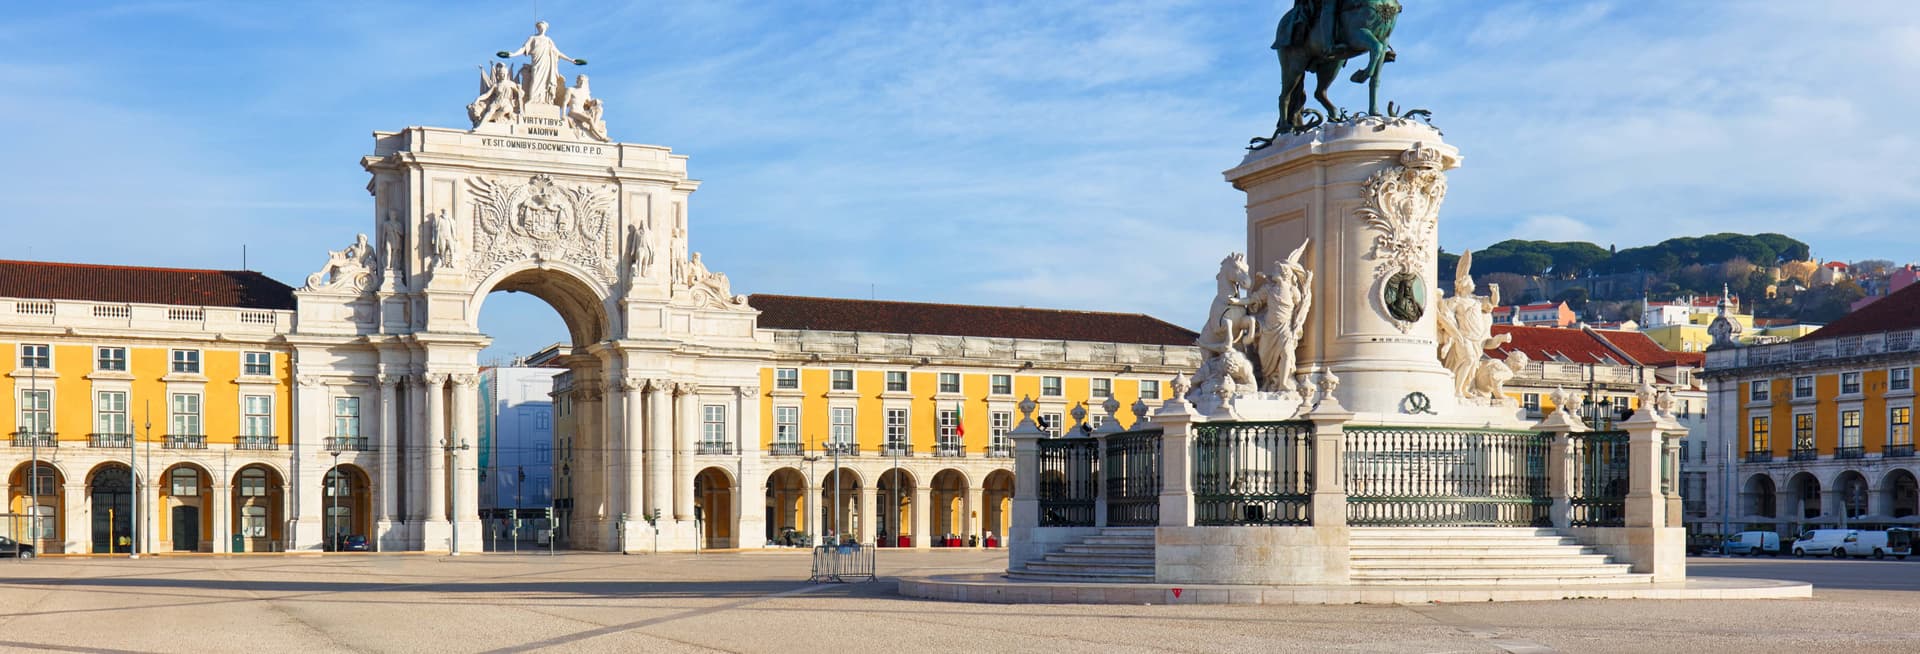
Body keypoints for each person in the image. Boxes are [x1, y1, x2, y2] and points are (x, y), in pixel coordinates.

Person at [499, 21, 584, 106]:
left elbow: (558, 52)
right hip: (537, 64)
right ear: (538, 28)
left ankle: (545, 101)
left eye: (543, 27)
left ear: (546, 28)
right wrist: (513, 54)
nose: (542, 29)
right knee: (535, 80)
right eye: (540, 27)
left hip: (547, 65)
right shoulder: (532, 38)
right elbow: (523, 49)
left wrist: (570, 60)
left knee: (546, 83)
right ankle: (532, 99)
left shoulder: (548, 40)